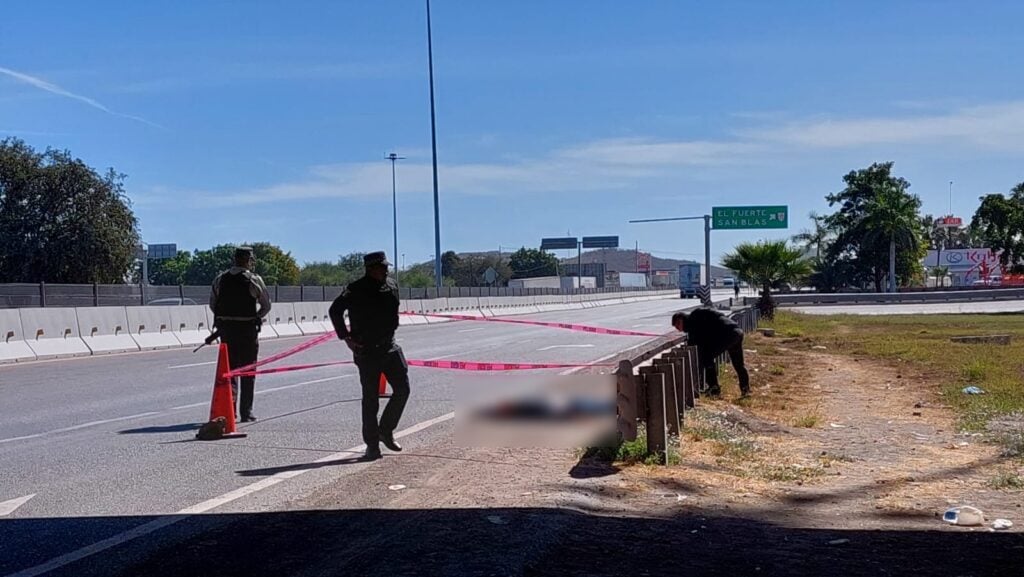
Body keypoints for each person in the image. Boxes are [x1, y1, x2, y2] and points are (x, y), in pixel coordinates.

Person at [328, 251, 410, 461]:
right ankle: (372, 445)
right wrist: (346, 337)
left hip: (390, 347)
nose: (386, 270)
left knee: (403, 389)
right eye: (382, 267)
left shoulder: (392, 285)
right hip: (367, 351)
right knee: (370, 400)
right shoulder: (355, 289)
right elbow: (335, 311)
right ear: (371, 268)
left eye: (386, 267)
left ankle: (386, 430)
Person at [210, 246, 272, 422]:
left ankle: (230, 411)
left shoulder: (220, 279)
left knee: (229, 372)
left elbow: (213, 304)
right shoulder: (254, 280)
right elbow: (266, 305)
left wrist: (226, 318)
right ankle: (246, 411)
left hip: (227, 332)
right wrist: (255, 317)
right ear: (249, 260)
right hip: (247, 332)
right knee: (248, 371)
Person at [672, 307, 750, 398]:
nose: (678, 328)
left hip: (728, 333)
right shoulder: (696, 318)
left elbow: (697, 340)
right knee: (739, 364)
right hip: (736, 332)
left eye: (678, 324)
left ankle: (714, 389)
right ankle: (746, 390)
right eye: (676, 327)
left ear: (682, 319)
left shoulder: (694, 320)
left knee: (706, 357)